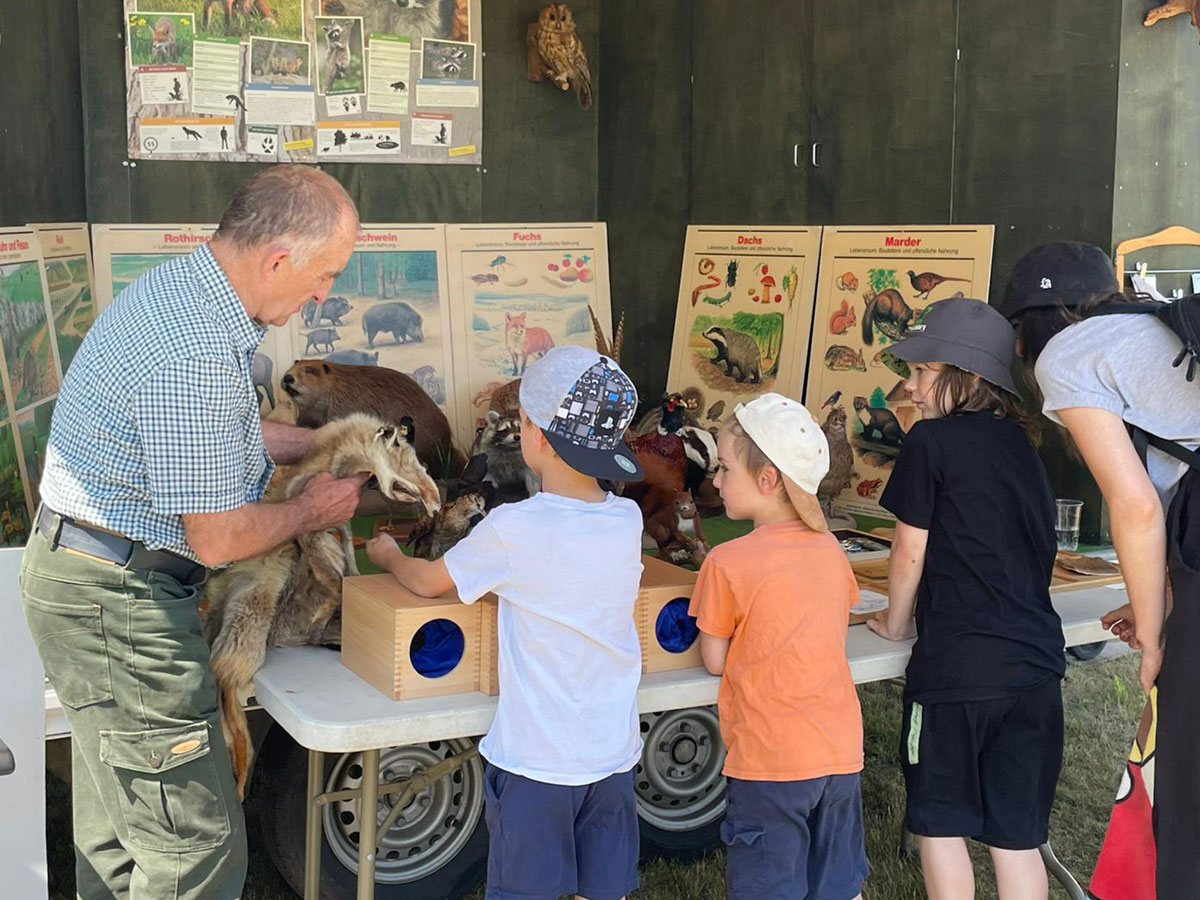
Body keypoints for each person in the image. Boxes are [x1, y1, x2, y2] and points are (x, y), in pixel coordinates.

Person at [20, 165, 367, 899]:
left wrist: (319, 443)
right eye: (324, 274)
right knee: (194, 850)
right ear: (278, 258)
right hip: (117, 601)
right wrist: (313, 511)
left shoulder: (188, 293)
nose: (322, 294)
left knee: (122, 838)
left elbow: (210, 438)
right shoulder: (195, 354)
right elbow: (217, 539)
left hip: (90, 578)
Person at [367, 345, 647, 900]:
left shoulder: (514, 528)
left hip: (537, 762)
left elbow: (428, 583)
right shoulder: (627, 518)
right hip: (612, 754)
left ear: (536, 436)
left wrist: (389, 557)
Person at [1001, 242, 1200, 898]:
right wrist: (1159, 605)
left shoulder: (1070, 355)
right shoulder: (1149, 331)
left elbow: (1137, 508)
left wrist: (1153, 646)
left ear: (1031, 329)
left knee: (1186, 777)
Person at [867, 298, 1064, 900]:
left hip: (955, 672)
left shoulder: (931, 442)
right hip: (1035, 670)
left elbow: (908, 552)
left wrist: (896, 624)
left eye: (923, 372)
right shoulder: (1024, 449)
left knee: (942, 827)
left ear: (969, 378)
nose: (911, 386)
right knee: (1017, 837)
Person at [688, 392, 868, 900]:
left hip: (769, 760)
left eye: (724, 469)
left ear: (768, 480)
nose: (716, 481)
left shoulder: (726, 561)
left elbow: (715, 658)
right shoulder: (833, 550)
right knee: (837, 885)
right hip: (839, 751)